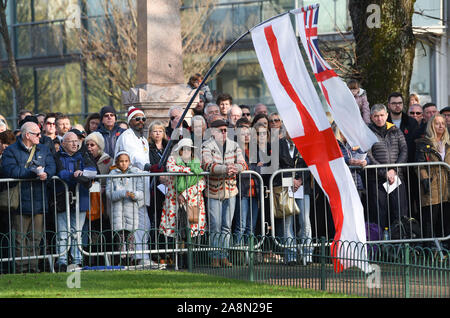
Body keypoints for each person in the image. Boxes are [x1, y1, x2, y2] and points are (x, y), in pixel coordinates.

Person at [1, 122, 56, 273]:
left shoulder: (43, 149)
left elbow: (52, 166)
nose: (40, 136)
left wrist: (47, 174)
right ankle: (21, 269)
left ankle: (33, 268)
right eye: (37, 134)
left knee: (36, 238)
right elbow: (9, 170)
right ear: (27, 135)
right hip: (19, 201)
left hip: (39, 199)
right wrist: (32, 173)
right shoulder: (11, 150)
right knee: (20, 239)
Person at [202, 119, 247, 267]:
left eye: (225, 130)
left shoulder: (234, 146)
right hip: (214, 190)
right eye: (220, 130)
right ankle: (215, 256)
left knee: (227, 225)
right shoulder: (206, 146)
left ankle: (224, 255)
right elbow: (208, 165)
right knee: (215, 225)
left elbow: (243, 163)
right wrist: (226, 169)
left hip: (230, 190)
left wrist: (235, 168)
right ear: (213, 131)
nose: (223, 132)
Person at [114, 106, 155, 268]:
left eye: (143, 119)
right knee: (137, 223)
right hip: (130, 185)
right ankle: (139, 256)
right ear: (130, 120)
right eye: (137, 119)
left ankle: (142, 255)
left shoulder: (143, 139)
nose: (140, 122)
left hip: (142, 185)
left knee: (145, 223)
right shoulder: (127, 136)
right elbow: (135, 157)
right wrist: (149, 166)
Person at [54, 131, 97, 272]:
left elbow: (92, 170)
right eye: (71, 141)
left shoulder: (84, 155)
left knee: (77, 231)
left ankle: (77, 260)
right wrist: (75, 175)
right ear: (63, 143)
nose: (75, 143)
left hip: (81, 198)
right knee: (62, 232)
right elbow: (61, 173)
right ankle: (62, 260)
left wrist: (82, 174)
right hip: (62, 198)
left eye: (76, 141)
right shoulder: (57, 156)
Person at [367, 104, 408, 231]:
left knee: (399, 212)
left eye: (381, 115)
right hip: (377, 180)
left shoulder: (396, 130)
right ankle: (380, 246)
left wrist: (394, 170)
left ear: (386, 115)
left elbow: (404, 150)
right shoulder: (367, 132)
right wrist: (384, 172)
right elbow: (368, 155)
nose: (379, 118)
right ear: (371, 117)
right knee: (380, 214)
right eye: (376, 116)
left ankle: (400, 243)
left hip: (396, 177)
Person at [106, 151, 149, 266]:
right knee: (120, 239)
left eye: (126, 161)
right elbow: (109, 194)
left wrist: (134, 195)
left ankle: (130, 260)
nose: (124, 164)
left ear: (129, 162)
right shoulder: (112, 174)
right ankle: (121, 260)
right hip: (118, 213)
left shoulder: (135, 174)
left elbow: (141, 192)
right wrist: (122, 193)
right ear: (117, 162)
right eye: (121, 161)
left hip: (131, 212)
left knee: (130, 238)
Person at [160, 138, 206, 240]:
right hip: (174, 200)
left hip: (193, 202)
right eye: (183, 149)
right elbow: (170, 168)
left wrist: (185, 194)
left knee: (193, 231)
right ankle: (175, 255)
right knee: (173, 231)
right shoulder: (172, 159)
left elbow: (202, 183)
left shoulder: (197, 162)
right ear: (179, 150)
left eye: (189, 149)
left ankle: (191, 255)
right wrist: (186, 170)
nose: (186, 151)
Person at [415, 114, 450, 239]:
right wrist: (425, 180)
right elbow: (419, 165)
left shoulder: (448, 144)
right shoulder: (423, 144)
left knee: (446, 219)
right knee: (430, 219)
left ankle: (445, 248)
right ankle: (429, 248)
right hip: (432, 184)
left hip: (447, 186)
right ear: (431, 126)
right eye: (437, 123)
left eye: (443, 124)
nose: (441, 126)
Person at [386, 92, 419, 162]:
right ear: (389, 105)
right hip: (389, 163)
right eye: (394, 103)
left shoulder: (412, 122)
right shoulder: (383, 122)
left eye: (400, 103)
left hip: (409, 163)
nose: (397, 105)